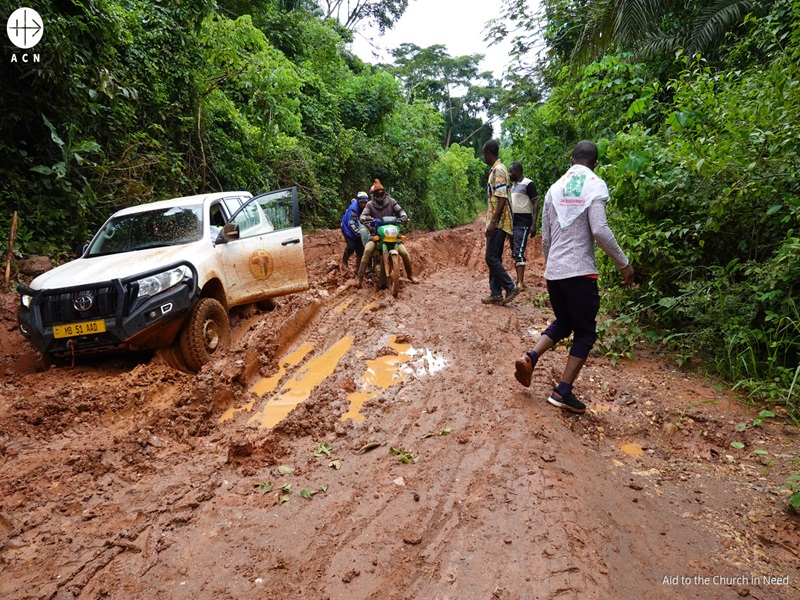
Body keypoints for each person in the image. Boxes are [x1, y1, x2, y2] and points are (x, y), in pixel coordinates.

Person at [513, 140, 635, 414]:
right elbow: (600, 230)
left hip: (554, 271)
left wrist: (552, 265)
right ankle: (562, 392)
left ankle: (530, 356)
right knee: (586, 332)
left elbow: (545, 237)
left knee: (564, 321)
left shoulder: (554, 189)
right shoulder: (595, 185)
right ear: (595, 164)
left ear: (571, 160)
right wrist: (624, 264)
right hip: (581, 272)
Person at [356, 179, 418, 287]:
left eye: (382, 193)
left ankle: (410, 275)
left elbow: (400, 210)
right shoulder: (370, 205)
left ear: (384, 193)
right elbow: (363, 215)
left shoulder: (391, 201)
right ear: (374, 195)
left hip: (392, 234)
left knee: (404, 253)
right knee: (367, 250)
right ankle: (359, 279)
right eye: (377, 194)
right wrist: (365, 218)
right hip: (376, 234)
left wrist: (403, 216)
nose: (380, 196)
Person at [481, 139, 520, 305]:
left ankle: (510, 287)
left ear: (489, 153)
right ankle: (495, 293)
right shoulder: (497, 170)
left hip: (499, 222)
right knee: (494, 256)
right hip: (498, 221)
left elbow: (502, 197)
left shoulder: (498, 170)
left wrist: (493, 222)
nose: (484, 157)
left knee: (490, 257)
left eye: (484, 155)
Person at [508, 162, 538, 291]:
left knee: (519, 251)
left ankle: (520, 282)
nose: (509, 174)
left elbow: (536, 202)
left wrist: (534, 223)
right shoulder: (513, 186)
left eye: (511, 172)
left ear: (518, 171)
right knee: (515, 251)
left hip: (523, 222)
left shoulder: (528, 183)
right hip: (513, 222)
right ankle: (519, 280)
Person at [341, 192, 369, 269]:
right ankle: (344, 261)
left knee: (361, 249)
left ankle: (359, 266)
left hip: (360, 228)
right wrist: (361, 234)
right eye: (361, 203)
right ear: (358, 202)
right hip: (348, 228)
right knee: (351, 247)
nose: (363, 204)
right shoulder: (353, 208)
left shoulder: (368, 207)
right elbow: (351, 223)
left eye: (365, 202)